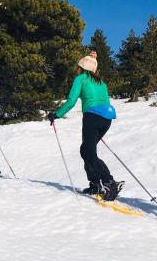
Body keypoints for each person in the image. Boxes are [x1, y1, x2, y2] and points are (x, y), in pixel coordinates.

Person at [47, 51, 121, 201]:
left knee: (89, 153)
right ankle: (95, 184)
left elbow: (71, 100)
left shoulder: (80, 79)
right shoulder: (101, 82)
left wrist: (56, 114)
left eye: (78, 66)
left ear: (81, 67)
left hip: (92, 117)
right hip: (106, 119)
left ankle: (109, 182)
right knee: (86, 150)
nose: (77, 69)